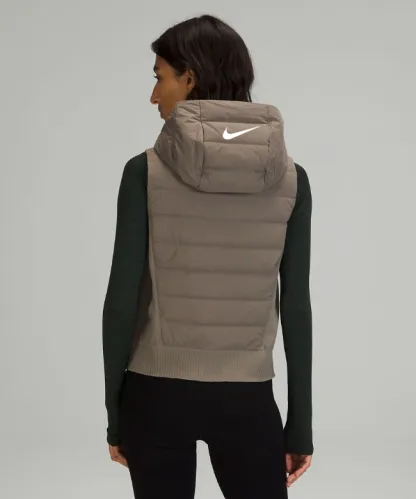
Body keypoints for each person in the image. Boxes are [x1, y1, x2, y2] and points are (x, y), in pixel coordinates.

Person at [102, 14, 314, 499]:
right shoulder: (291, 179)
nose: (153, 95)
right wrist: (300, 426)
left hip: (155, 394)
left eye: (160, 77)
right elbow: (296, 307)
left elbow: (121, 302)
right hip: (248, 400)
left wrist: (116, 413)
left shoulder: (144, 173)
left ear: (190, 78)